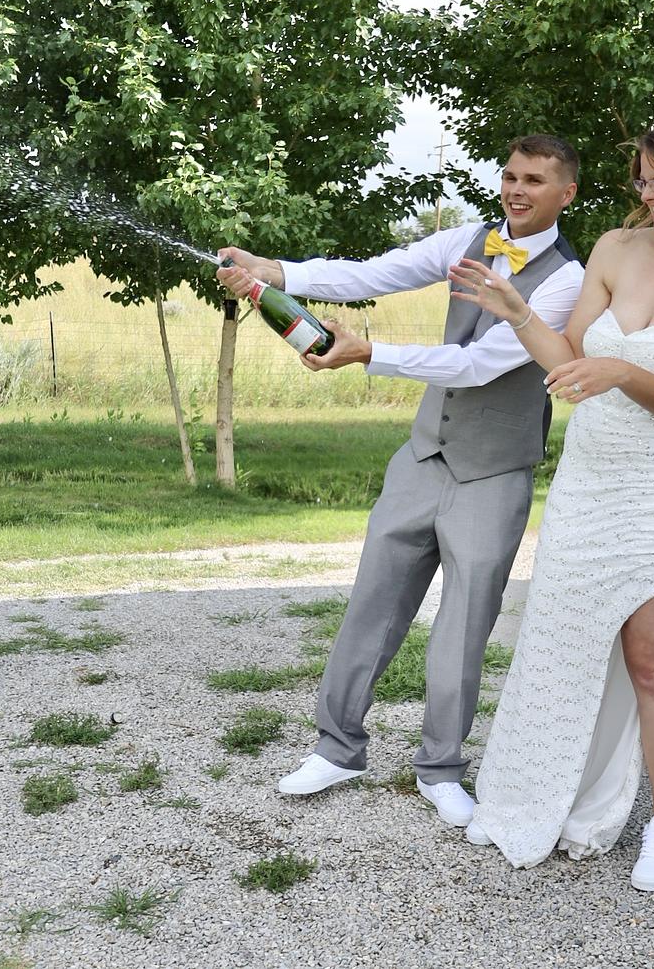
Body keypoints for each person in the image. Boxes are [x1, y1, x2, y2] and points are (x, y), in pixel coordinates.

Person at [217, 135, 583, 829]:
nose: (517, 189)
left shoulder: (568, 280)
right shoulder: (465, 241)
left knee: (464, 626)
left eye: (535, 180)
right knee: (372, 605)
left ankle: (440, 769)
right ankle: (337, 749)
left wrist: (368, 353)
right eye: (510, 175)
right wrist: (276, 271)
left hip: (492, 472)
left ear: (565, 193)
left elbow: (477, 365)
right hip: (422, 457)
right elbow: (372, 274)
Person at [447, 114, 654, 891]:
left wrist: (622, 373)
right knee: (557, 643)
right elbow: (569, 361)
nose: (646, 193)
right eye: (641, 178)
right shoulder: (614, 249)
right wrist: (520, 314)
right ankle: (533, 797)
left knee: (652, 660)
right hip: (587, 485)